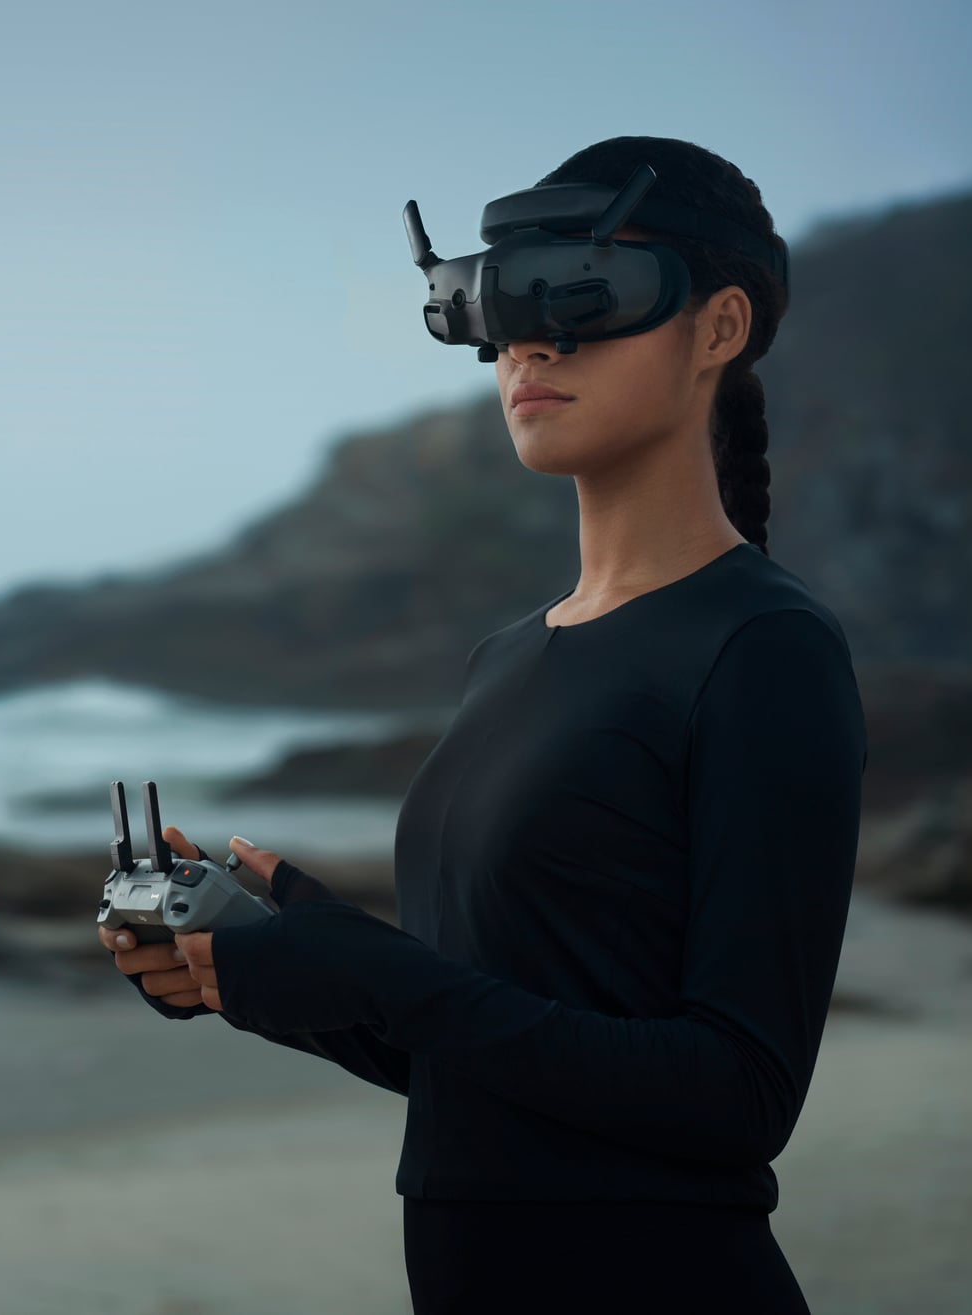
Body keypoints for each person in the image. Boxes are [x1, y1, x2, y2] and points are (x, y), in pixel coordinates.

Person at [105, 137, 863, 1313]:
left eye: (582, 292)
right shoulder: (508, 658)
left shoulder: (766, 647)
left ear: (718, 328)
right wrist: (267, 969)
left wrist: (382, 973)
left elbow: (738, 1093)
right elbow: (485, 1062)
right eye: (494, 303)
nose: (531, 342)